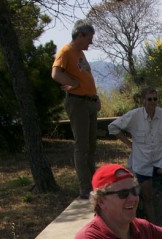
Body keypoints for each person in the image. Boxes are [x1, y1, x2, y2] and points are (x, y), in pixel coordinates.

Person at [106, 86, 162, 224]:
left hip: (159, 159)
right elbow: (112, 127)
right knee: (148, 197)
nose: (152, 102)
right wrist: (129, 144)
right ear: (143, 100)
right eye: (149, 99)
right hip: (142, 162)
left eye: (155, 99)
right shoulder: (134, 115)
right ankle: (153, 227)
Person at [52, 20, 100, 199]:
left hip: (88, 102)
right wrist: (73, 83)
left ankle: (94, 184)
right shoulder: (66, 51)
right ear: (81, 35)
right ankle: (85, 189)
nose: (91, 42)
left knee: (91, 145)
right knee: (82, 146)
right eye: (89, 38)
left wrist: (95, 97)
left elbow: (85, 74)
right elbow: (56, 74)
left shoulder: (79, 53)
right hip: (77, 102)